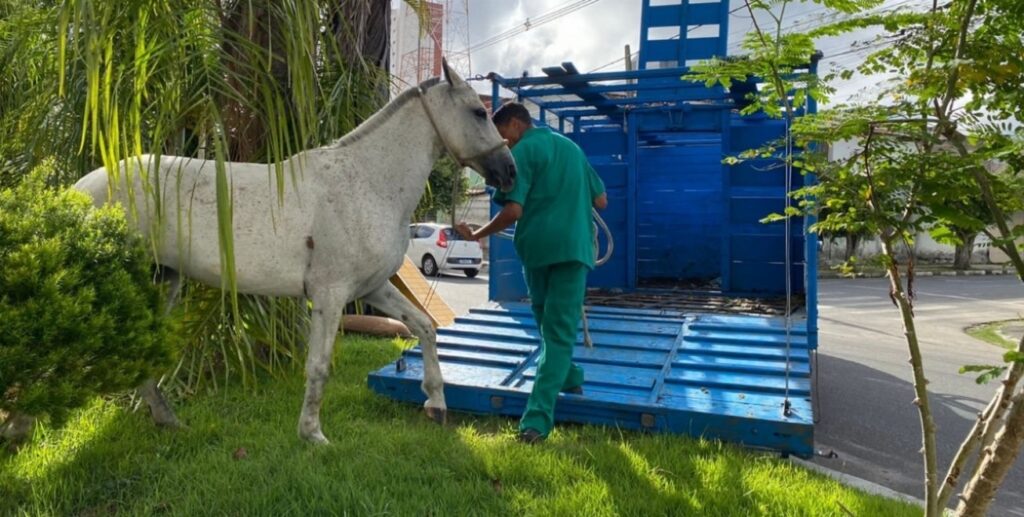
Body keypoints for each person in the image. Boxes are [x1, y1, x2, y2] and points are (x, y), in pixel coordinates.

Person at [455, 102, 608, 444]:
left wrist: (477, 235)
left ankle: (536, 421)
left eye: (502, 135)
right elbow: (602, 202)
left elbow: (513, 210)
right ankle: (569, 375)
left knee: (552, 331)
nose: (503, 143)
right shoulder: (572, 149)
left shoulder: (522, 152)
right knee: (554, 330)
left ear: (515, 124)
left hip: (538, 250)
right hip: (574, 249)